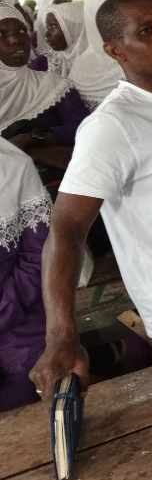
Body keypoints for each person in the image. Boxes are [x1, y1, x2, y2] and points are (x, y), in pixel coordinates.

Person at [28, 0, 152, 402]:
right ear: (115, 51)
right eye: (146, 31)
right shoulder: (112, 125)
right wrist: (61, 334)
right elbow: (67, 227)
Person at [0, 139, 49, 411]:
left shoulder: (13, 166)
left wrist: (5, 308)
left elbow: (38, 256)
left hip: (19, 318)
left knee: (31, 391)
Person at [0, 0, 88, 145]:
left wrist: (36, 138)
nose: (15, 40)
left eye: (21, 31)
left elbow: (83, 127)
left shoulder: (54, 85)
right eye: (1, 34)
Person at [68, 0, 125, 110]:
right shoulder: (81, 70)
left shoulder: (146, 53)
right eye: (115, 7)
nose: (127, 11)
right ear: (94, 16)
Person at [40, 0, 87, 77]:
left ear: (72, 28)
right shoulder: (56, 58)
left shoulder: (94, 62)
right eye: (47, 28)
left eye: (53, 26)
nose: (47, 34)